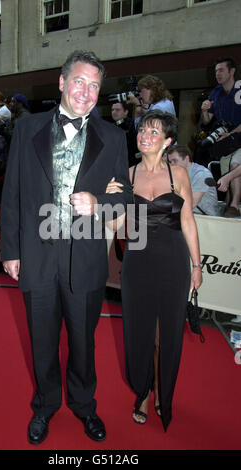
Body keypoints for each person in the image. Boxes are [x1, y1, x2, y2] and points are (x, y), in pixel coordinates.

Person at [0, 50, 132, 445]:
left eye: (94, 86)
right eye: (79, 81)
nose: (86, 92)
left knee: (82, 342)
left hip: (85, 258)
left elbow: (123, 196)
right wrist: (10, 250)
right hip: (37, 254)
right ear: (62, 82)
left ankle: (83, 405)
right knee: (42, 341)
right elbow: (12, 194)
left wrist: (100, 202)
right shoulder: (27, 129)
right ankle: (44, 406)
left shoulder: (113, 136)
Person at [106, 110, 202, 431]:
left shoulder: (179, 175)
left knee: (166, 335)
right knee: (140, 333)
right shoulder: (127, 174)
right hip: (138, 262)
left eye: (153, 132)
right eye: (142, 130)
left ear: (168, 141)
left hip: (173, 262)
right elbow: (117, 226)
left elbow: (188, 221)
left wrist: (197, 265)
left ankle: (162, 392)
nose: (145, 136)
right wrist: (110, 202)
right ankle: (143, 391)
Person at [197, 57, 241, 217]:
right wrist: (203, 110)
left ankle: (234, 206)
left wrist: (232, 132)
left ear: (232, 71)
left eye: (221, 70)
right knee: (226, 175)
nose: (218, 74)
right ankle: (231, 205)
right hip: (226, 141)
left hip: (237, 138)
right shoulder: (216, 92)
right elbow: (206, 121)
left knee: (235, 166)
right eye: (216, 71)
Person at [167, 145, 220, 216]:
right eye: (170, 162)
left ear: (186, 158)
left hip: (206, 218)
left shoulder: (201, 174)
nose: (172, 165)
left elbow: (192, 204)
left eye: (175, 161)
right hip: (190, 215)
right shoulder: (178, 174)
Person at [111, 101, 138, 166]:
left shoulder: (132, 124)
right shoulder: (112, 126)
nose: (114, 112)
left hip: (130, 162)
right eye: (112, 110)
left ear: (125, 112)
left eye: (117, 110)